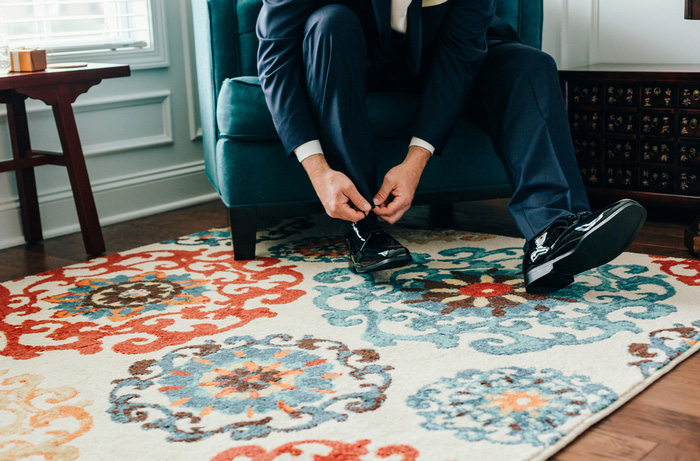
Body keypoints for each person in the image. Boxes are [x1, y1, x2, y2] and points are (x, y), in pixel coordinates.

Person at [256, 0, 646, 293]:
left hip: (447, 53)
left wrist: (415, 160)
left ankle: (550, 235)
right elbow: (276, 56)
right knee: (329, 23)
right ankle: (363, 226)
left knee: (529, 65)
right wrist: (318, 170)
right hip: (348, 56)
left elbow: (459, 56)